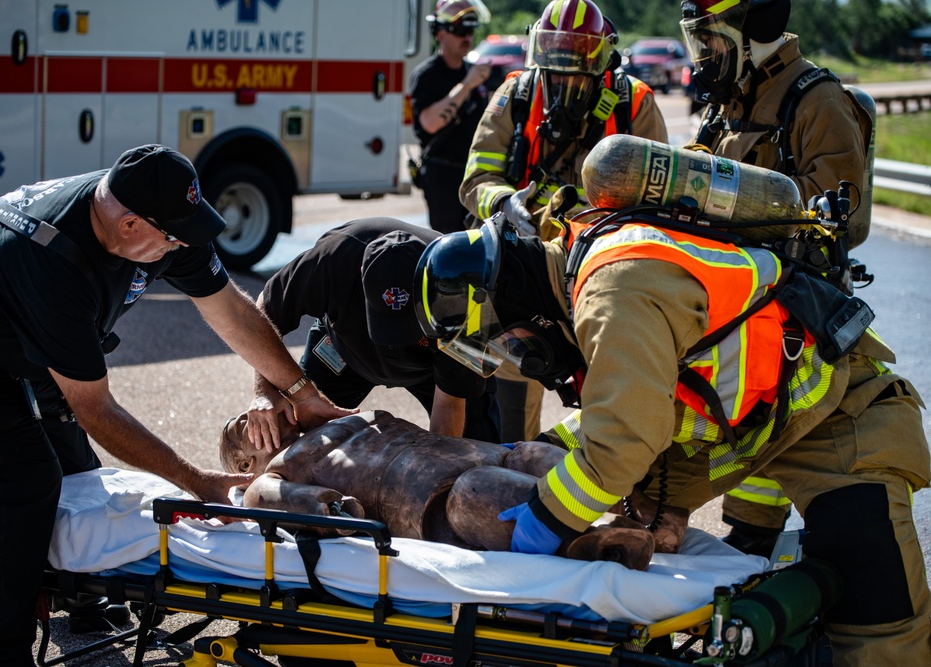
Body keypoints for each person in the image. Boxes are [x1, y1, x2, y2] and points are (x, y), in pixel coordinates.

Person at [414, 205, 931, 664]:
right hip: (764, 418)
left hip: (841, 414)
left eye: (509, 340)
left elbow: (621, 444)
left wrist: (543, 521)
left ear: (508, 298)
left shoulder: (610, 293)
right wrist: (548, 450)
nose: (521, 356)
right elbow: (641, 399)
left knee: (876, 619)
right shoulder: (587, 263)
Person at [0, 144, 353, 666]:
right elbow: (98, 411)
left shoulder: (165, 220)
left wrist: (302, 393)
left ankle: (83, 597)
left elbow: (232, 314)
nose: (181, 245)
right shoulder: (49, 261)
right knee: (29, 485)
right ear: (129, 225)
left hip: (39, 334)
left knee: (80, 474)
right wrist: (196, 482)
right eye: (173, 237)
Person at [680, 0, 874, 557]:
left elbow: (838, 211)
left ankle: (754, 537)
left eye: (711, 39)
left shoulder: (817, 100)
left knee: (769, 417)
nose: (703, 56)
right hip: (733, 296)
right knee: (722, 415)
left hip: (792, 307)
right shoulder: (728, 104)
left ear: (752, 31)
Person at [458, 0, 669, 443]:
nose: (563, 78)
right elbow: (477, 175)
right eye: (554, 68)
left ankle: (605, 490)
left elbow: (658, 205)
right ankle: (510, 475)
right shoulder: (516, 93)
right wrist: (503, 206)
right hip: (523, 263)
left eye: (575, 69)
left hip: (603, 269)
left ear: (600, 60)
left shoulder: (635, 103)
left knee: (610, 386)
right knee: (508, 374)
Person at [220, 409, 689, 570]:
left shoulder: (327, 419)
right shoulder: (278, 469)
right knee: (475, 495)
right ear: (243, 462)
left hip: (461, 451)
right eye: (243, 425)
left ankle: (627, 509)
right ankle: (593, 543)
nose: (257, 415)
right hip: (426, 495)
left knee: (528, 454)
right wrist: (331, 508)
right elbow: (263, 499)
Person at [246, 218, 501, 448]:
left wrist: (441, 472)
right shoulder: (334, 258)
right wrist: (264, 390)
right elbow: (264, 313)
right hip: (345, 351)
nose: (392, 344)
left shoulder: (463, 293)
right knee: (288, 432)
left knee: (478, 455)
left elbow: (450, 403)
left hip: (433, 369)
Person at [409, 0, 493, 235]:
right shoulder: (428, 75)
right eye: (459, 31)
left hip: (471, 174)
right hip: (442, 176)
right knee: (448, 243)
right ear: (441, 33)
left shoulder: (472, 72)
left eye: (470, 30)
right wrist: (467, 85)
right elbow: (430, 122)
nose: (467, 37)